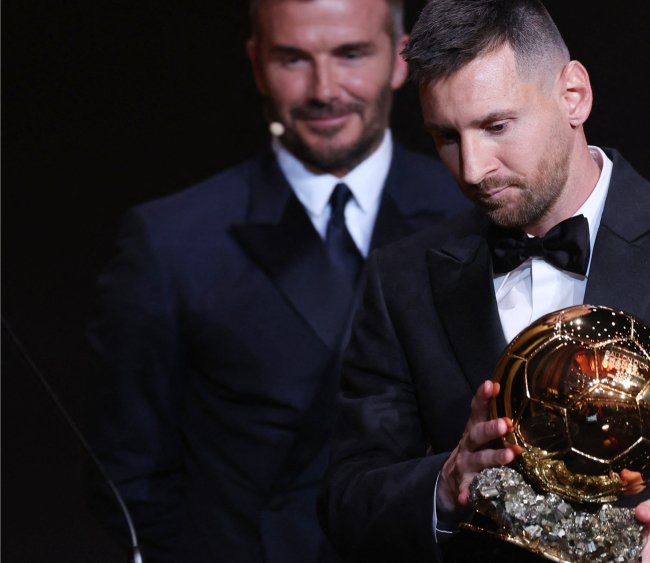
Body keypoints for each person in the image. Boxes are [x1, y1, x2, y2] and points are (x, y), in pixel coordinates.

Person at [318, 0, 650, 562]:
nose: (471, 167)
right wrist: (445, 484)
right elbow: (347, 499)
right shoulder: (403, 279)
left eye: (497, 126)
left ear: (573, 96)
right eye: (445, 137)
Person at [85, 0, 468, 561]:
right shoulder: (169, 241)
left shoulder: (470, 211)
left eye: (351, 54)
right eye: (293, 59)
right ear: (257, 62)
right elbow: (127, 474)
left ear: (400, 58)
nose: (324, 90)